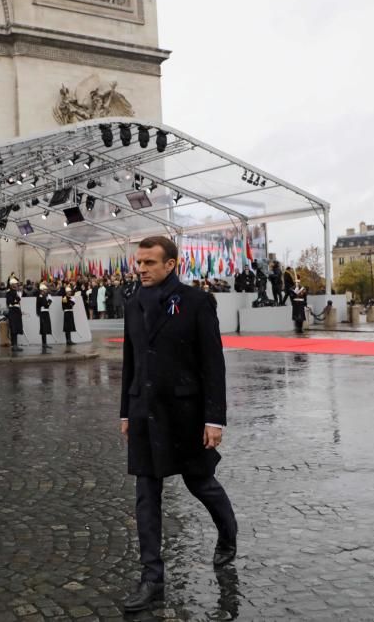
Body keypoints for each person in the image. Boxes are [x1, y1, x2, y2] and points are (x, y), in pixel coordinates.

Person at [119, 236, 237, 613]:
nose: (141, 269)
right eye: (139, 262)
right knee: (145, 495)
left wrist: (214, 419)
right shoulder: (133, 302)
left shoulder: (197, 302)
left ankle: (228, 532)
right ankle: (152, 579)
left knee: (200, 483)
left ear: (170, 265)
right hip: (144, 411)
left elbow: (212, 365)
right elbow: (131, 361)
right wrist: (126, 410)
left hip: (184, 414)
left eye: (150, 263)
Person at [5, 276, 24, 352]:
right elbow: (10, 301)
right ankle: (14, 345)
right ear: (12, 284)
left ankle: (15, 345)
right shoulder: (9, 292)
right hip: (12, 311)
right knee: (13, 328)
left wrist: (16, 298)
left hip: (17, 311)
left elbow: (18, 300)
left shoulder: (16, 292)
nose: (16, 285)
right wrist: (16, 298)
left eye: (17, 284)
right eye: (15, 284)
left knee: (16, 329)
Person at [36, 282, 53, 351]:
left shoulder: (43, 296)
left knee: (45, 328)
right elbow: (45, 304)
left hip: (46, 312)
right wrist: (49, 301)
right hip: (43, 313)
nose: (46, 291)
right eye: (45, 290)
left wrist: (48, 301)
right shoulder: (41, 296)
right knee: (44, 328)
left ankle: (45, 343)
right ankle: (44, 344)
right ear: (42, 290)